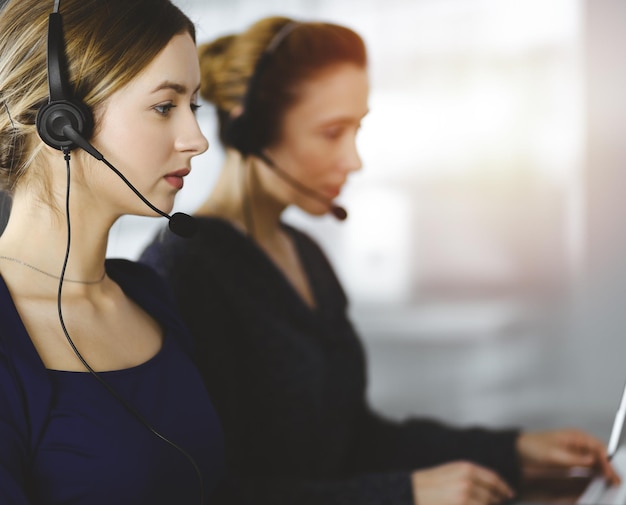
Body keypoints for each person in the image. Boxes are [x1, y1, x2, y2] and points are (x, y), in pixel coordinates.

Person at [139, 16, 619, 505]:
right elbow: (209, 492)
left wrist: (514, 453)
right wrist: (405, 494)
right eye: (332, 132)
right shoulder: (184, 271)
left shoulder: (304, 254)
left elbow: (354, 440)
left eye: (357, 129)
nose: (354, 159)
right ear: (249, 126)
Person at [0, 0, 224, 503]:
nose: (197, 139)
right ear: (62, 122)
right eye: (166, 106)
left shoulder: (147, 294)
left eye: (195, 106)